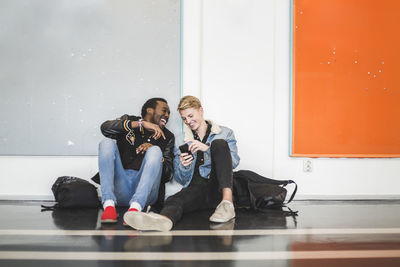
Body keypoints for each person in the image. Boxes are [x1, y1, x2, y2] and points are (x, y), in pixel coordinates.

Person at [124, 95, 240, 231]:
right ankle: (162, 221)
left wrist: (207, 149)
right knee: (174, 200)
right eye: (184, 118)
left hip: (219, 186)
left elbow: (233, 162)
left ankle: (227, 204)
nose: (188, 121)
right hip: (197, 190)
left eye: (191, 116)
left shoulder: (225, 133)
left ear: (201, 111)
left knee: (219, 144)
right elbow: (180, 178)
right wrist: (185, 166)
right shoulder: (180, 140)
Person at [98, 97, 175, 224]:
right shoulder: (129, 121)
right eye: (164, 110)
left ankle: (135, 210)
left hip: (146, 194)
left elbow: (168, 174)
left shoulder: (168, 136)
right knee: (106, 143)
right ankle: (109, 206)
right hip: (121, 188)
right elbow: (105, 128)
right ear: (150, 110)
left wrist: (157, 154)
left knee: (155, 151)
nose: (167, 115)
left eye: (169, 113)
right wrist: (140, 123)